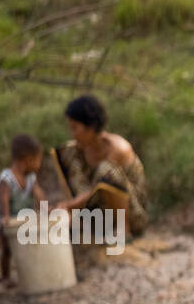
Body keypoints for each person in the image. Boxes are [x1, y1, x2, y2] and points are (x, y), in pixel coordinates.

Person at [50, 94, 148, 238]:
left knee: (106, 169)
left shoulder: (118, 149)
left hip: (133, 214)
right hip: (100, 212)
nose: (72, 134)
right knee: (66, 152)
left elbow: (98, 188)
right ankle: (79, 222)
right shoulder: (82, 149)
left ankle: (124, 230)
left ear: (91, 127)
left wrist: (70, 205)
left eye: (75, 128)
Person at [0, 133, 48, 284]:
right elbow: (3, 197)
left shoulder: (31, 178)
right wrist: (6, 217)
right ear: (29, 159)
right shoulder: (7, 178)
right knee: (7, 248)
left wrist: (46, 210)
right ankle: (5, 276)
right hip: (7, 219)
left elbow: (39, 194)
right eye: (38, 160)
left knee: (30, 244)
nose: (39, 164)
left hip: (23, 219)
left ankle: (31, 272)